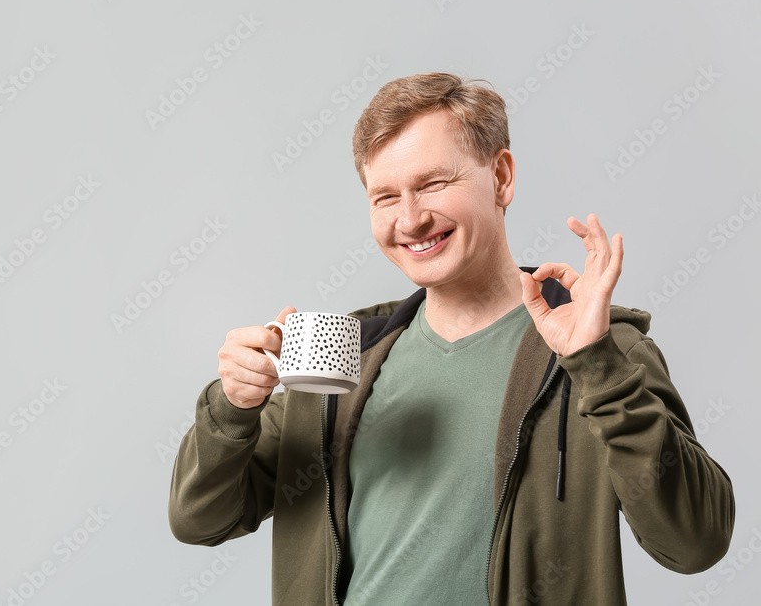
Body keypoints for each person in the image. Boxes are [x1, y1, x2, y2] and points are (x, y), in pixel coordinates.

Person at [167, 73, 735, 605]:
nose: (410, 219)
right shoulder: (349, 356)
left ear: (502, 177)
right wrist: (233, 408)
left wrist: (598, 366)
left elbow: (696, 543)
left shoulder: (598, 348)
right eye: (385, 197)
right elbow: (201, 520)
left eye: (434, 184)